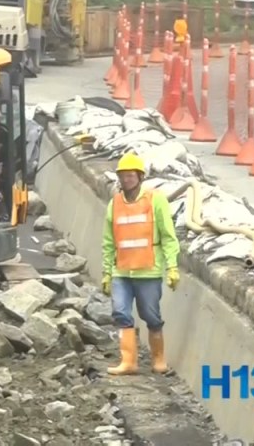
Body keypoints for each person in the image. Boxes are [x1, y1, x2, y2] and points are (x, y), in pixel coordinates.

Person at [101, 153, 180, 376]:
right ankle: (129, 362)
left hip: (148, 271)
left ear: (140, 177)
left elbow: (168, 235)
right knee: (120, 313)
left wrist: (172, 266)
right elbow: (108, 241)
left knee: (151, 316)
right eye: (123, 176)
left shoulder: (155, 200)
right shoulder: (114, 203)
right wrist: (107, 271)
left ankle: (159, 360)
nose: (126, 180)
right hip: (122, 271)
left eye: (130, 176)